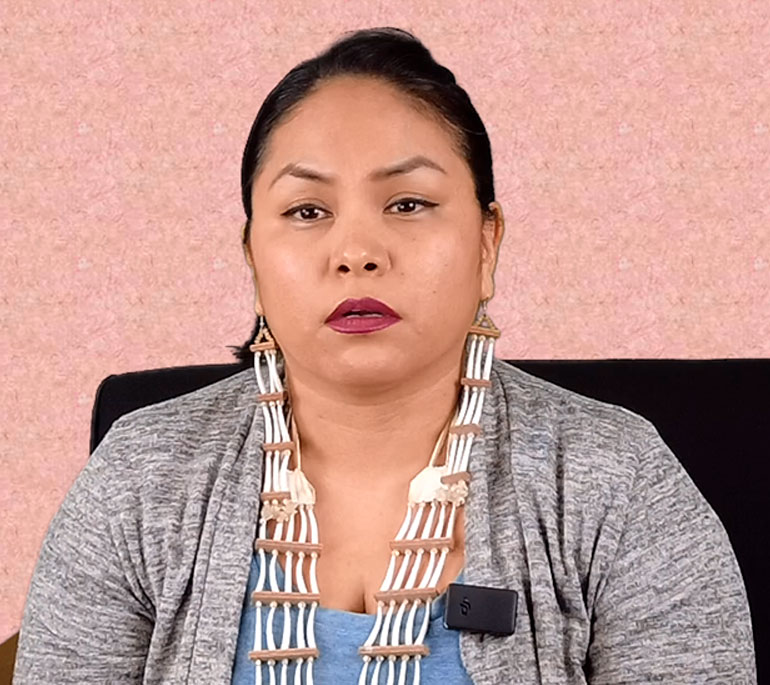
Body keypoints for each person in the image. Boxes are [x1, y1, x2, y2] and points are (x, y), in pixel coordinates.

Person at [14, 26, 756, 684]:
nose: (358, 252)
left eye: (408, 203)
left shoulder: (617, 479)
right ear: (252, 255)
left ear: (487, 242)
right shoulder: (141, 474)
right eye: (308, 211)